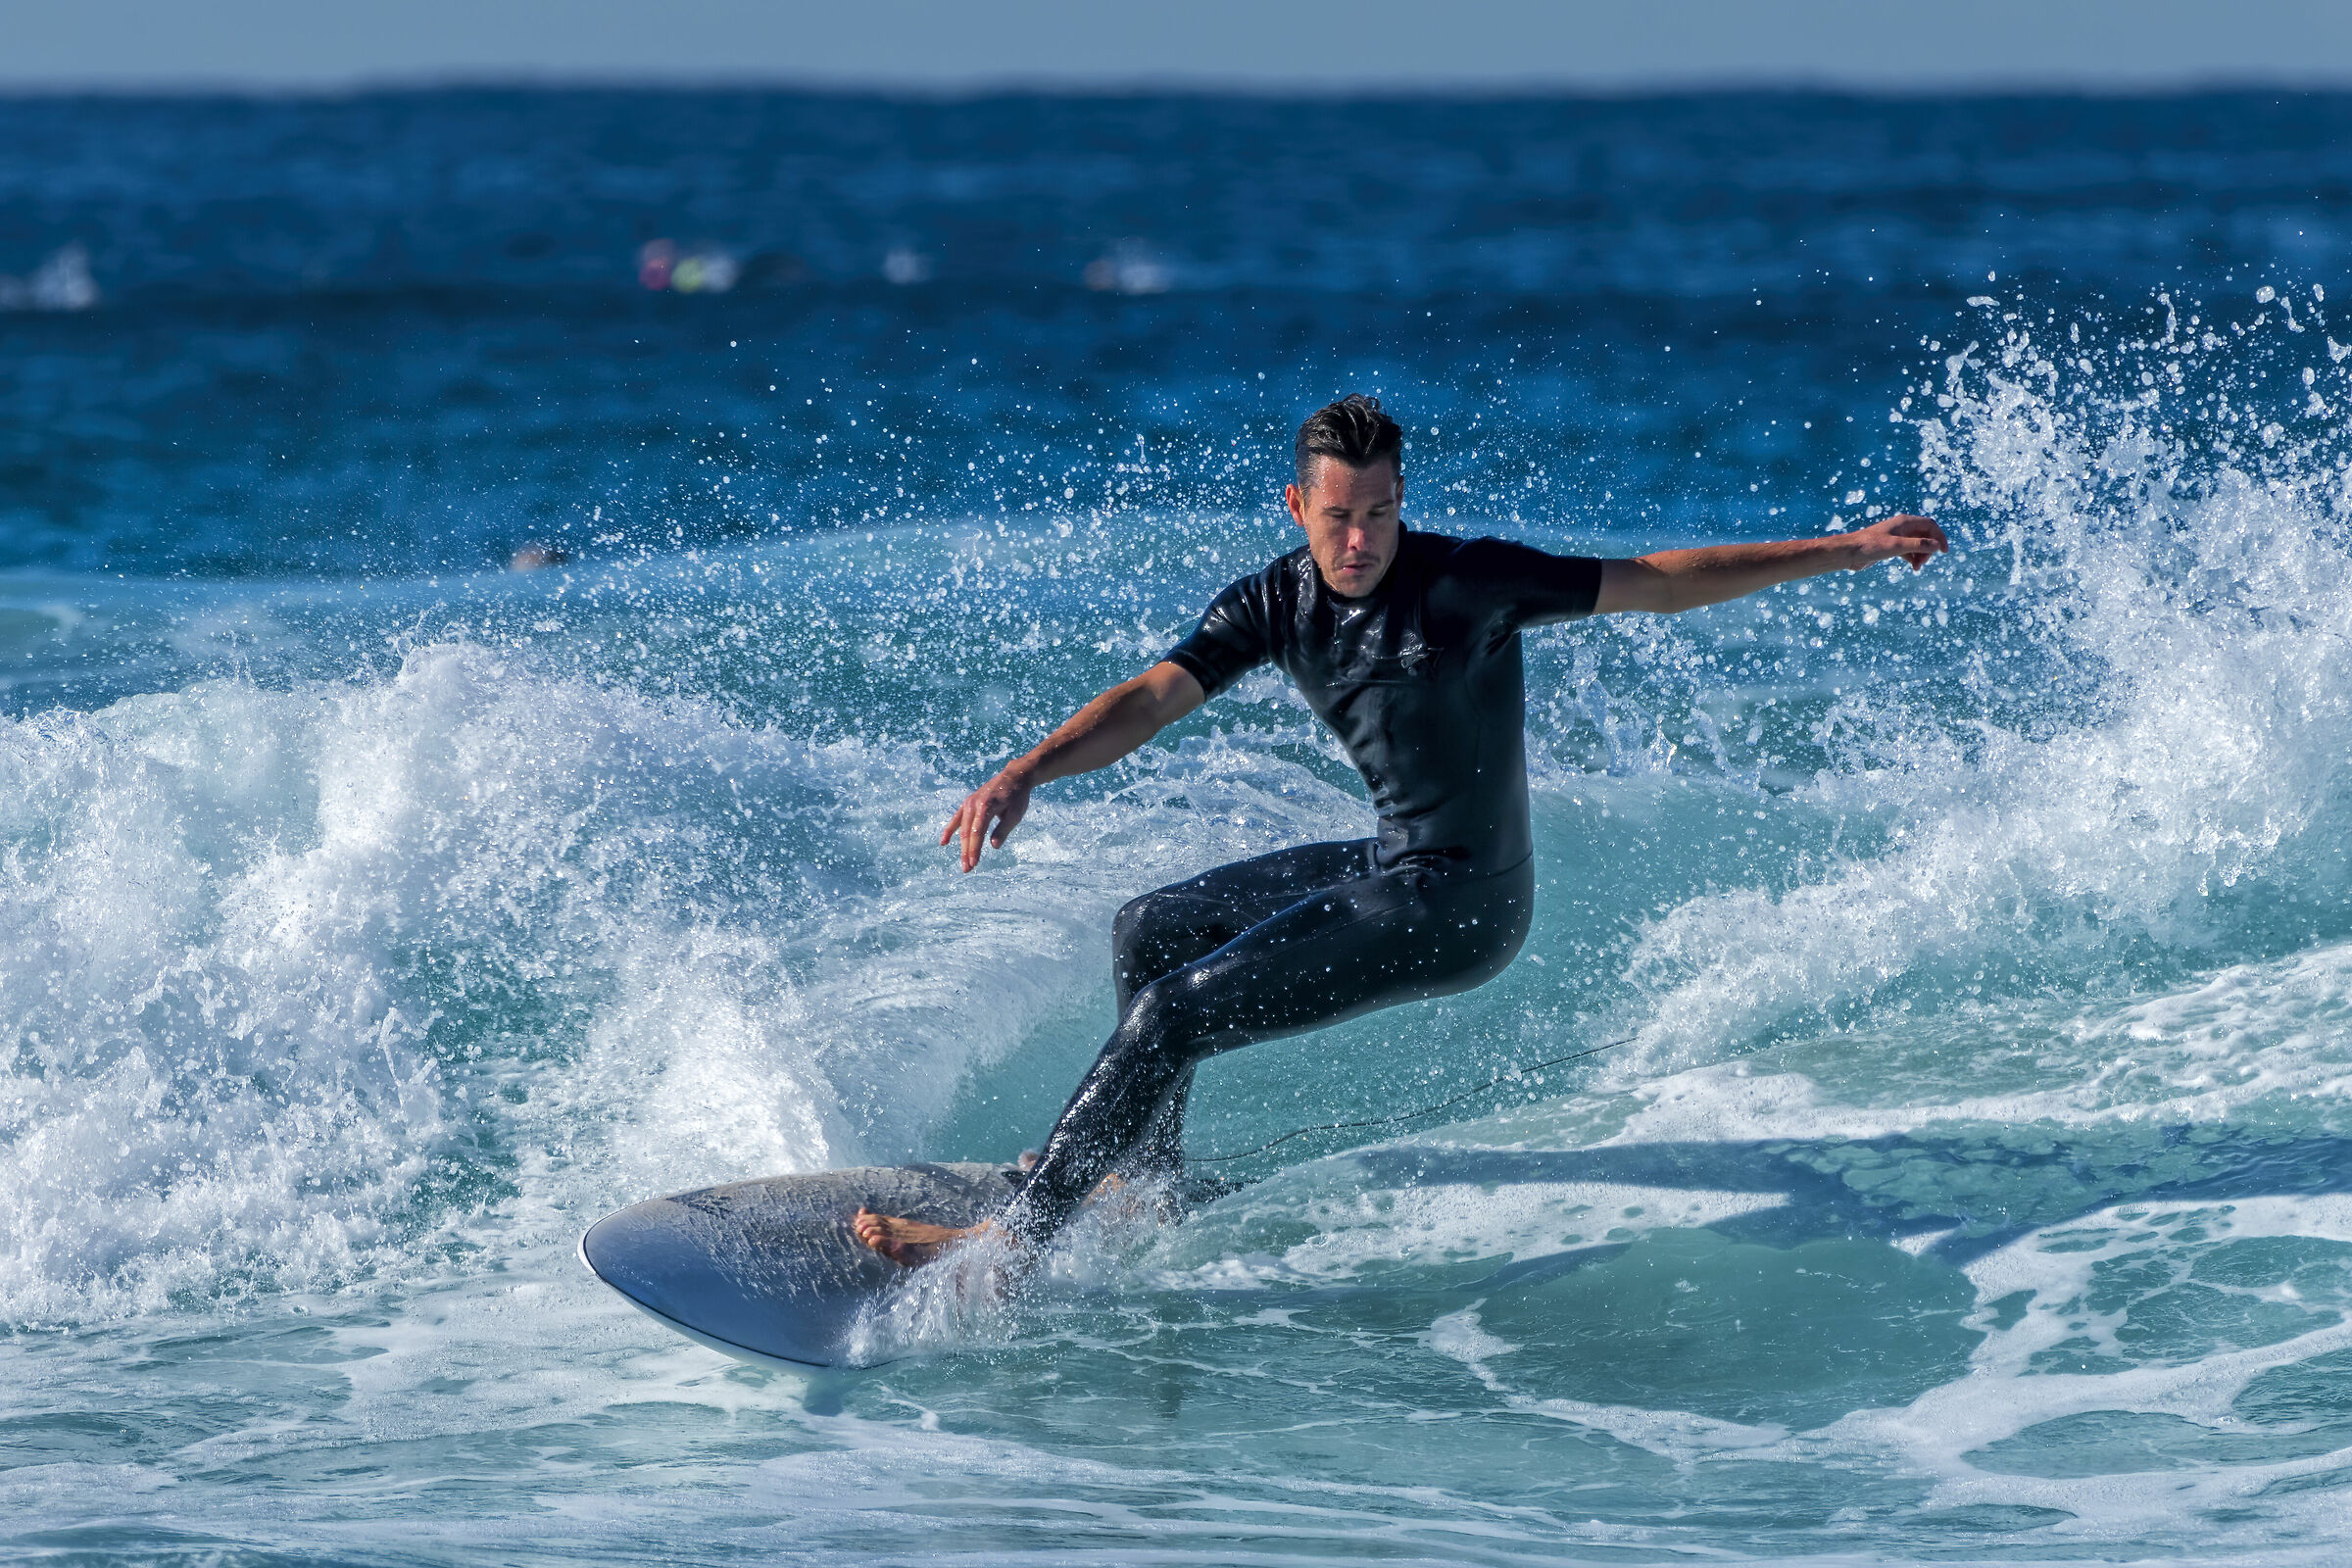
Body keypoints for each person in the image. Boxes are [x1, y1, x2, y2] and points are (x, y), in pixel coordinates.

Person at [854, 394, 1947, 1266]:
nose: (1363, 536)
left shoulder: (1467, 584)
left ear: (1401, 499)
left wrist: (1843, 547)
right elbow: (1151, 696)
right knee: (1149, 930)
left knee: (1172, 1014)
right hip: (1392, 861)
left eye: (1380, 512)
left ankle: (1015, 1244)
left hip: (1464, 904)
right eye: (1339, 516)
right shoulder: (1274, 604)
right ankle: (1149, 1183)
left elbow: (1656, 583)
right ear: (1297, 508)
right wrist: (1026, 771)